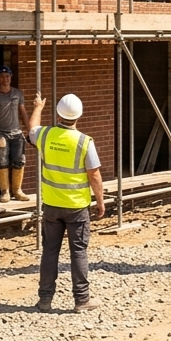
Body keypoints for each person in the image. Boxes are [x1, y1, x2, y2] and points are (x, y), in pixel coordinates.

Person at [30, 92, 105, 313]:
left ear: (58, 113)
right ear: (79, 115)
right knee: (79, 252)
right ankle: (82, 300)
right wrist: (100, 201)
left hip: (52, 205)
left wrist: (38, 107)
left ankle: (45, 300)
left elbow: (32, 129)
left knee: (50, 251)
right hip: (76, 207)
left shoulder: (45, 136)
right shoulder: (84, 141)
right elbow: (95, 175)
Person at [0, 65, 31, 202]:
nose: (5, 79)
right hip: (1, 133)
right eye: (2, 76)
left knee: (19, 161)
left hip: (17, 133)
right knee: (2, 161)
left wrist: (30, 131)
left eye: (7, 76)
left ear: (11, 78)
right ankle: (5, 192)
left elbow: (23, 113)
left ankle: (17, 190)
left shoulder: (17, 94)